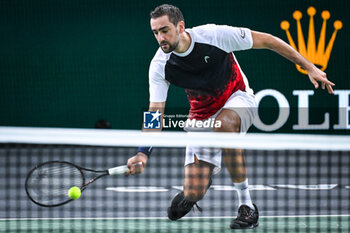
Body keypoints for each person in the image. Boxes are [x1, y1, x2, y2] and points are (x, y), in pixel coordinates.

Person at [125, 4, 335, 230]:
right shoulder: (160, 65)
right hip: (201, 117)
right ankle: (193, 191)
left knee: (225, 126)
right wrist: (142, 152)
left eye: (164, 30)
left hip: (238, 99)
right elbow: (155, 112)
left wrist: (309, 66)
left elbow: (268, 40)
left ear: (181, 26)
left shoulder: (214, 35)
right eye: (155, 32)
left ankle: (246, 205)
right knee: (194, 191)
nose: (160, 38)